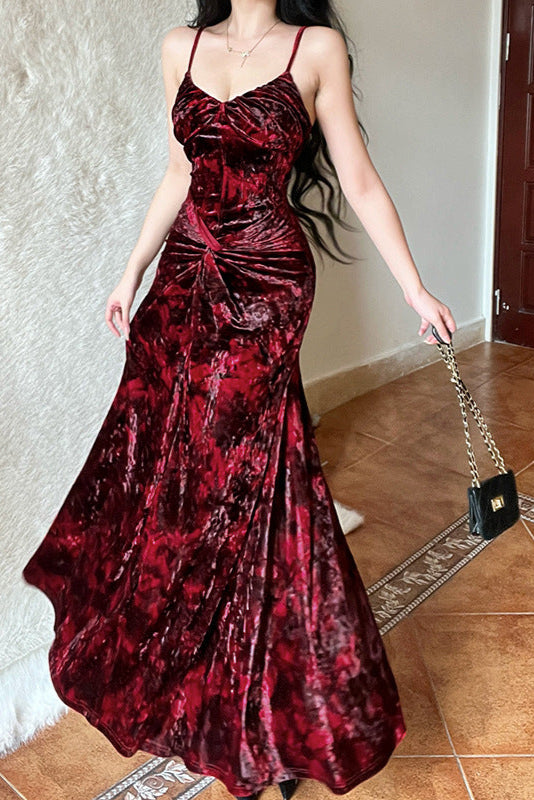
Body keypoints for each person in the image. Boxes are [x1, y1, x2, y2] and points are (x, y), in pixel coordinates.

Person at [22, 3, 457, 800]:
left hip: (266, 285)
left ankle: (269, 707)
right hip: (182, 276)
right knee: (176, 469)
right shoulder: (177, 46)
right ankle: (212, 673)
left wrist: (414, 288)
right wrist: (129, 271)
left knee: (242, 477)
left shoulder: (315, 47)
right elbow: (178, 170)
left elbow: (356, 175)